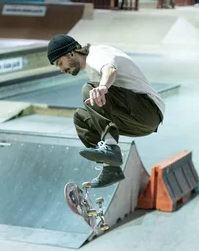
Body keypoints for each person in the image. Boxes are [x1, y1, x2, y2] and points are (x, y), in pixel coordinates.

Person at [47, 34, 165, 188]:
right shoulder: (91, 68)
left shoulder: (97, 54)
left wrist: (102, 87)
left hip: (148, 109)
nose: (62, 69)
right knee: (80, 117)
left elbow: (110, 69)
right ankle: (111, 168)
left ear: (71, 53)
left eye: (60, 63)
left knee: (89, 89)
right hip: (139, 122)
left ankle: (110, 148)